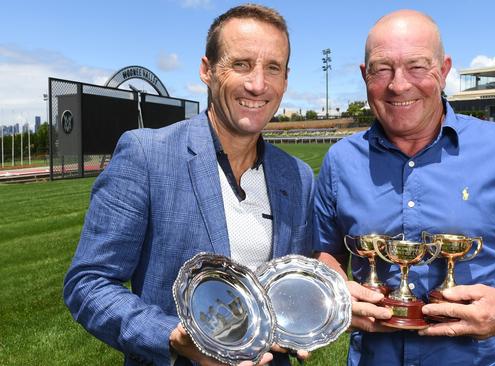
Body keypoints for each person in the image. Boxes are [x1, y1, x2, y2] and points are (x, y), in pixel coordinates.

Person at [314, 9, 495, 365]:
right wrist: (338, 290)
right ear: (364, 75)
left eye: (417, 66)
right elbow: (326, 251)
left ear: (444, 69)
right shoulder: (341, 160)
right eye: (382, 68)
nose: (398, 84)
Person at [64, 4, 313, 366]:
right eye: (241, 64)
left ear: (286, 80)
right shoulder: (146, 155)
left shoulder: (298, 176)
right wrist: (171, 336)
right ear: (206, 70)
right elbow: (88, 283)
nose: (257, 84)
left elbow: (293, 284)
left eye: (272, 68)